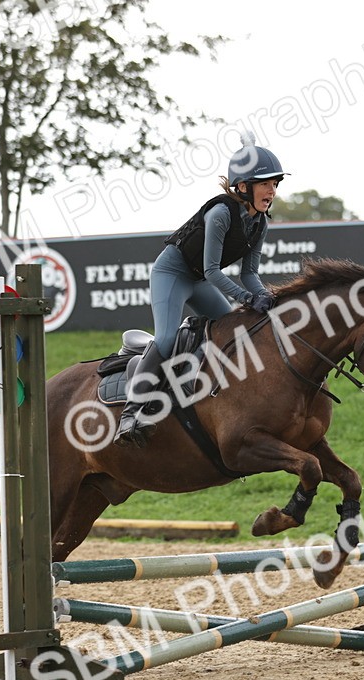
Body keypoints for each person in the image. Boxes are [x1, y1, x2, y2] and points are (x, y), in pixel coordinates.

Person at [112, 137, 285, 448]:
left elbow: (249, 274)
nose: (272, 191)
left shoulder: (260, 223)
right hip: (172, 273)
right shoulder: (220, 213)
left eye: (275, 184)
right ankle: (131, 413)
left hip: (199, 280)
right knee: (166, 338)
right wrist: (248, 299)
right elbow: (212, 271)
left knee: (233, 332)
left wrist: (267, 298)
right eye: (265, 184)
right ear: (243, 186)